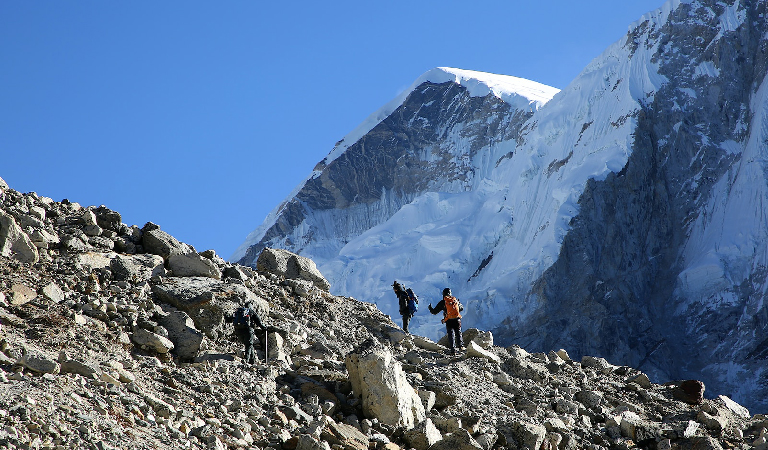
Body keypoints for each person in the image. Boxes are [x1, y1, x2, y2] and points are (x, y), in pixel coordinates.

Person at [428, 288, 464, 355]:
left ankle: (453, 350)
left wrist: (430, 308)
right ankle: (461, 346)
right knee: (458, 332)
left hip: (449, 320)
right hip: (457, 319)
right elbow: (461, 308)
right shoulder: (455, 300)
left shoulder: (443, 302)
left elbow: (434, 312)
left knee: (451, 334)